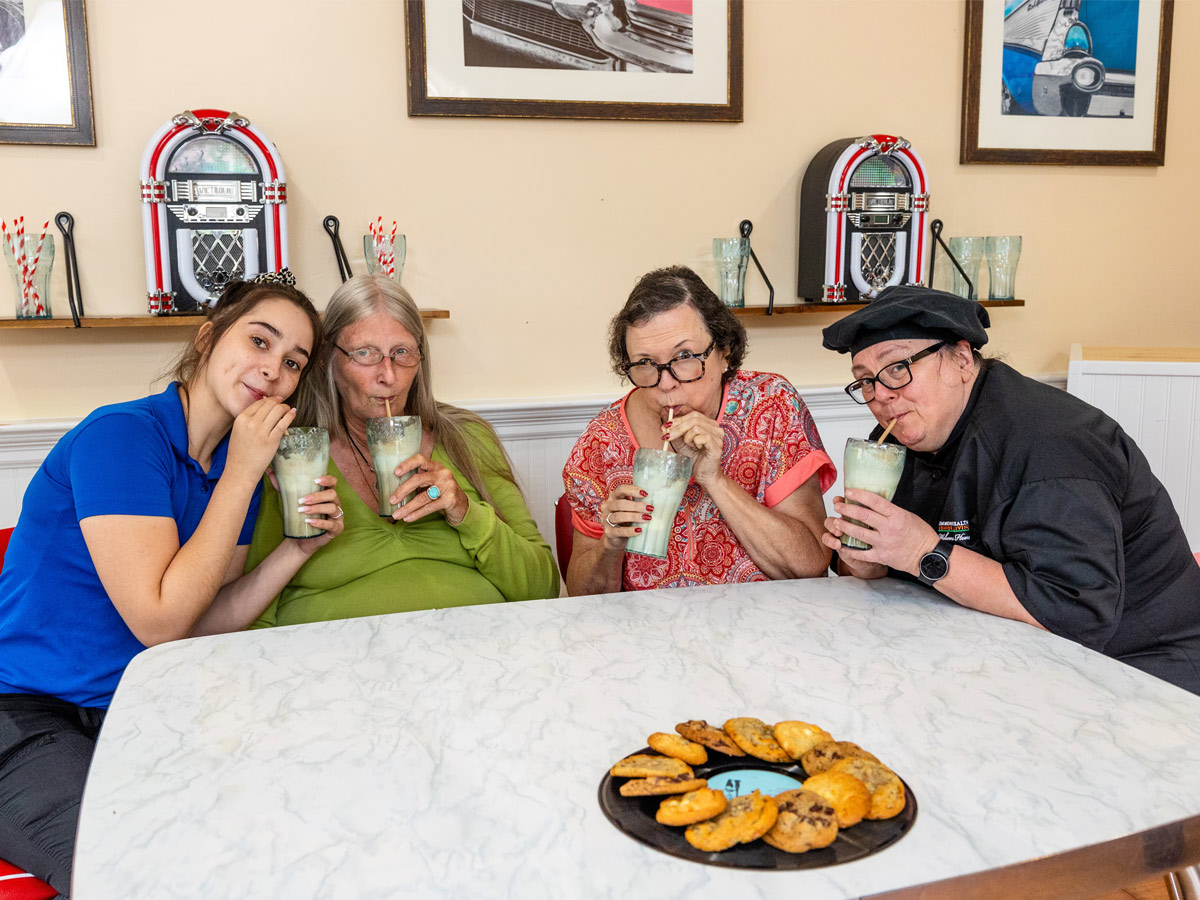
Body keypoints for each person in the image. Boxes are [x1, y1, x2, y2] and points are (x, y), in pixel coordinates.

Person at [0, 275, 343, 895]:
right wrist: (244, 472)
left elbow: (198, 622)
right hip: (26, 715)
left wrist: (295, 550)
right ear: (208, 338)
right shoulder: (122, 437)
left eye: (293, 362)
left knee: (282, 826)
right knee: (136, 875)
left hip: (135, 708)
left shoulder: (228, 469)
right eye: (259, 342)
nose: (273, 370)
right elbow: (157, 622)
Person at [821, 284, 1200, 695]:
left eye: (898, 368)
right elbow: (891, 572)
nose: (881, 396)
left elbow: (1076, 612)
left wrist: (924, 553)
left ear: (962, 360)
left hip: (1140, 672)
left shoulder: (1054, 441)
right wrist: (863, 556)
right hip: (1003, 653)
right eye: (866, 383)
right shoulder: (892, 441)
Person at [246, 275, 559, 626]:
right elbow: (255, 617)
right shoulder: (293, 453)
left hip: (475, 657)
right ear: (326, 360)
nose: (389, 376)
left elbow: (542, 589)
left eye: (402, 353)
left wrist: (464, 511)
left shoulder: (467, 438)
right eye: (365, 354)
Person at [562, 265, 835, 595]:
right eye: (645, 363)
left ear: (724, 352)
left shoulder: (771, 406)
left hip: (770, 630)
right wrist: (611, 545)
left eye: (685, 356)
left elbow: (809, 564)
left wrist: (714, 480)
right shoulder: (602, 443)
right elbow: (582, 598)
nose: (665, 384)